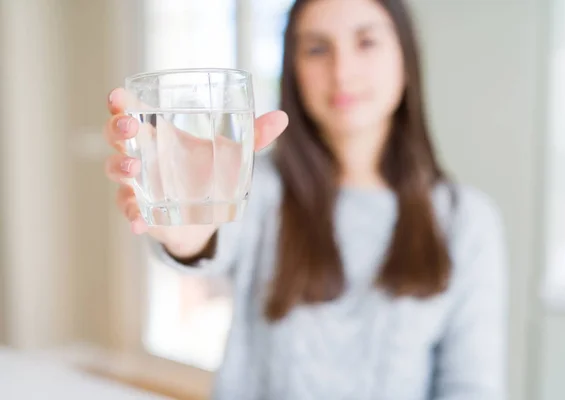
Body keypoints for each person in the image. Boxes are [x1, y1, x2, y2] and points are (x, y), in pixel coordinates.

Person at [104, 0, 508, 399]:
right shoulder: (259, 186)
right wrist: (189, 227)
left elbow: (470, 386)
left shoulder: (466, 220)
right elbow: (204, 242)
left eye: (366, 42)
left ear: (406, 58)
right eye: (317, 49)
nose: (342, 71)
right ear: (293, 71)